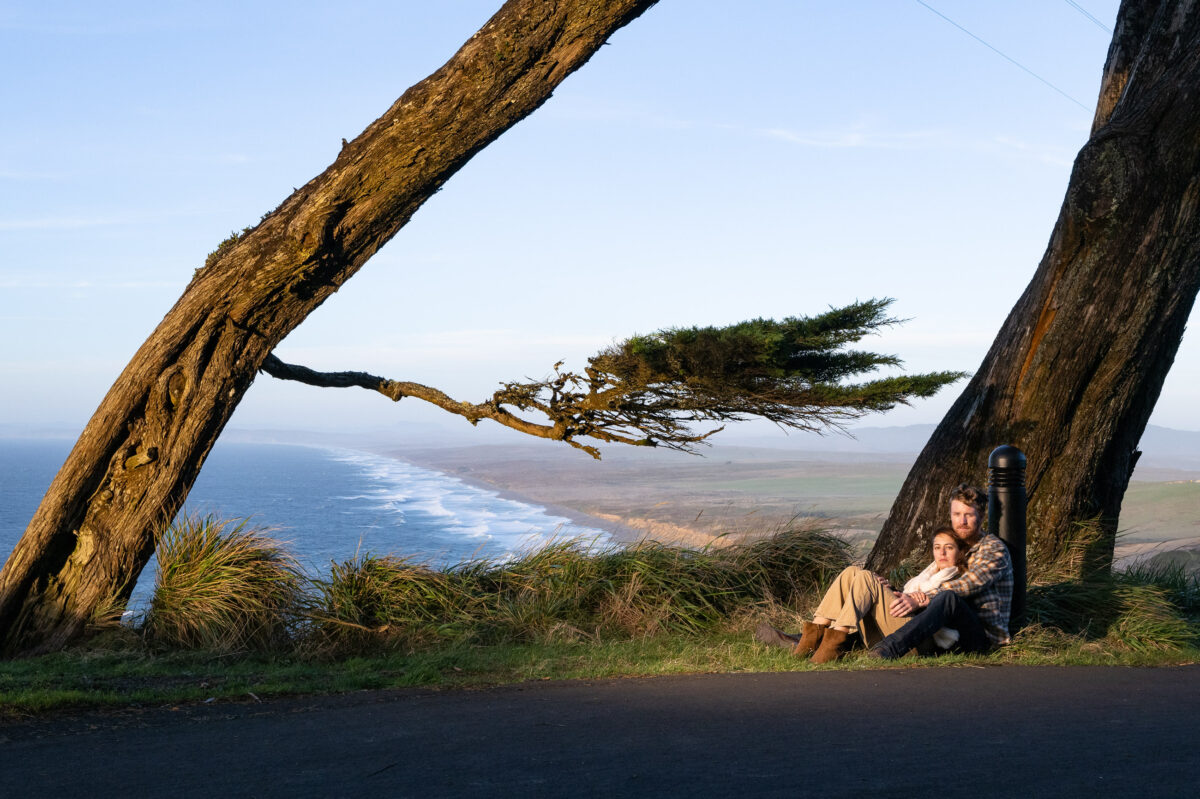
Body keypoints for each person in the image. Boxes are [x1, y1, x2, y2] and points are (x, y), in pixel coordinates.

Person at [755, 525, 968, 664]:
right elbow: (905, 602)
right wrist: (891, 590)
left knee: (866, 578)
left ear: (960, 551)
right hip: (896, 627)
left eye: (949, 547)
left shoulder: (959, 579)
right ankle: (812, 638)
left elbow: (941, 610)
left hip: (917, 642)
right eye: (937, 547)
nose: (941, 552)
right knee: (852, 573)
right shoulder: (929, 573)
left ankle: (832, 646)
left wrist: (924, 601)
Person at [867, 483, 1013, 659]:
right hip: (948, 630)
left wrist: (923, 598)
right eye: (957, 514)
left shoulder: (993, 549)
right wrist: (896, 592)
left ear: (981, 516)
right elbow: (933, 579)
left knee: (948, 597)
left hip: (981, 636)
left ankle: (887, 650)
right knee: (875, 586)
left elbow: (968, 584)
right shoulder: (955, 545)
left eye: (968, 515)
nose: (962, 521)